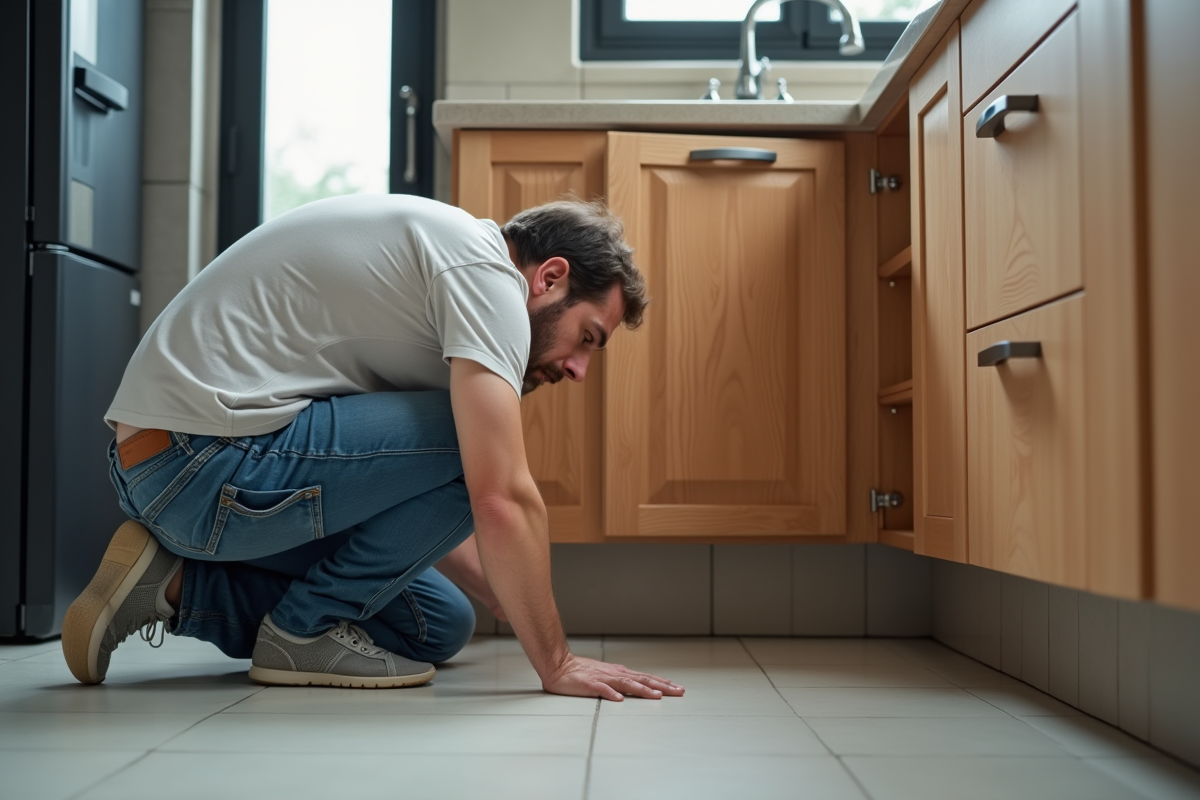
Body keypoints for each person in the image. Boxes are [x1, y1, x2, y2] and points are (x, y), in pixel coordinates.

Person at [60, 194, 683, 702]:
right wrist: (557, 660)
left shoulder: (444, 257)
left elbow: (400, 482)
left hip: (170, 466)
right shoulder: (487, 277)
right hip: (203, 464)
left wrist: (502, 586)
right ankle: (300, 632)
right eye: (586, 338)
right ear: (549, 277)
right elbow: (498, 493)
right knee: (474, 442)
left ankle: (172, 586)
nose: (578, 370)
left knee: (438, 623)